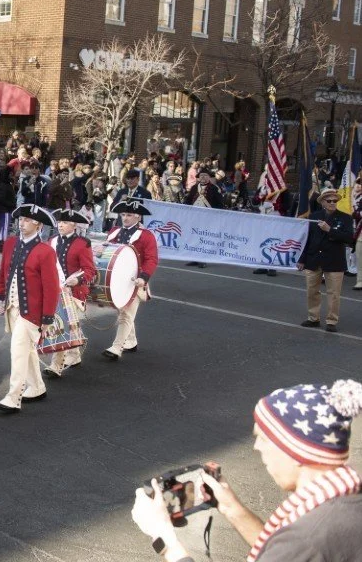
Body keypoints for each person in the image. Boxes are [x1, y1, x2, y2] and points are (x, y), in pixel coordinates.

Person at [130, 379, 362, 562]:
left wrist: (164, 539)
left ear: (295, 451)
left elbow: (290, 549)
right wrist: (231, 508)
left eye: (264, 438)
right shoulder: (345, 500)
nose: (256, 447)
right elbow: (276, 551)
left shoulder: (308, 539)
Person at [0, 205, 60, 414]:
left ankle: (14, 396)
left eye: (27, 220)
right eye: (20, 219)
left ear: (38, 225)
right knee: (27, 350)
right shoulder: (11, 243)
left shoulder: (45, 251)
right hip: (12, 308)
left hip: (32, 311)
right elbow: (4, 272)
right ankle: (38, 387)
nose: (21, 223)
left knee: (18, 351)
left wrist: (47, 317)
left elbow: (51, 287)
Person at [102, 199, 159, 360]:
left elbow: (151, 259)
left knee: (126, 313)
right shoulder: (114, 231)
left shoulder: (146, 236)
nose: (125, 218)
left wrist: (144, 277)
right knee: (123, 311)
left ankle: (117, 347)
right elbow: (109, 253)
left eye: (130, 215)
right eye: (124, 214)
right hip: (117, 280)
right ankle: (131, 341)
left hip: (135, 280)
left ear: (138, 217)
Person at [45, 209, 96, 378]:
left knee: (62, 326)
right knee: (69, 325)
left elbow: (90, 270)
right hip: (53, 290)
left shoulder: (83, 243)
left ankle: (56, 365)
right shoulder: (51, 241)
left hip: (73, 291)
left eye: (65, 222)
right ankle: (74, 355)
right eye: (59, 222)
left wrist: (78, 280)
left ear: (74, 225)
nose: (60, 225)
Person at [297, 188, 354, 332]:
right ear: (322, 202)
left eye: (335, 200)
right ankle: (313, 318)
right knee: (312, 290)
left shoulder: (345, 218)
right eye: (329, 200)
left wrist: (330, 230)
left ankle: (331, 320)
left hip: (334, 260)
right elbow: (308, 239)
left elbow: (348, 238)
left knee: (333, 293)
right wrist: (302, 259)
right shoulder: (315, 216)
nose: (332, 203)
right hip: (314, 258)